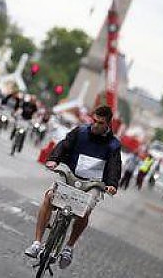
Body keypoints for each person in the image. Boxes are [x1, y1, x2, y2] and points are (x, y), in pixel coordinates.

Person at [24, 105, 121, 269]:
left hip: (93, 183)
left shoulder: (113, 145)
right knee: (49, 197)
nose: (95, 125)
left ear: (108, 124)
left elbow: (114, 166)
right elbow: (64, 145)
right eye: (94, 121)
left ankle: (69, 247)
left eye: (100, 123)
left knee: (85, 209)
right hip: (70, 174)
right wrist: (54, 159)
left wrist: (112, 184)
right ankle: (37, 243)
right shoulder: (80, 132)